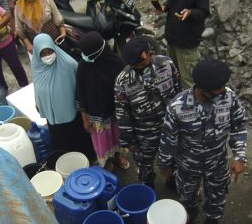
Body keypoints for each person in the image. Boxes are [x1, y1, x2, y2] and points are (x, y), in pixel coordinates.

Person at [157, 59, 247, 224]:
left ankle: (212, 223)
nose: (223, 90)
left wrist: (239, 156)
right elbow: (168, 140)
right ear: (202, 89)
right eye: (217, 88)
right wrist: (165, 165)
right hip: (188, 165)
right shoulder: (177, 107)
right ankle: (188, 215)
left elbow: (238, 126)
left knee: (217, 196)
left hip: (217, 162)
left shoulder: (229, 97)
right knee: (187, 195)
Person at [114, 37, 181, 188]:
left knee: (173, 158)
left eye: (145, 61)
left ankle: (172, 182)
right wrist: (129, 141)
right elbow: (122, 113)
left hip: (170, 126)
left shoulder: (166, 64)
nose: (142, 66)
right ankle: (147, 186)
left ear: (150, 53)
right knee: (145, 164)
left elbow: (178, 92)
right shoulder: (122, 81)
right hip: (143, 133)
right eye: (137, 65)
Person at [32, 33, 94, 158]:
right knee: (61, 146)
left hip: (72, 115)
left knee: (79, 142)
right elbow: (37, 88)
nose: (47, 56)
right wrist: (39, 104)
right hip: (53, 118)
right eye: (43, 54)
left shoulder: (69, 64)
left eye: (49, 51)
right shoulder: (36, 66)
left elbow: (82, 89)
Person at [76, 31, 129, 170]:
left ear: (97, 52)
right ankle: (107, 161)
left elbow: (126, 89)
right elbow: (80, 93)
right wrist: (84, 118)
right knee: (102, 141)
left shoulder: (117, 63)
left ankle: (118, 155)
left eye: (86, 53)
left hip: (116, 113)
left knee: (118, 135)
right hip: (97, 116)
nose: (84, 56)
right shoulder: (83, 66)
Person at [162, 0, 210, 88]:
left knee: (189, 79)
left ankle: (193, 102)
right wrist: (165, 7)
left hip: (186, 40)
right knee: (173, 73)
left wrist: (190, 12)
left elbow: (204, 11)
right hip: (172, 39)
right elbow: (173, 1)